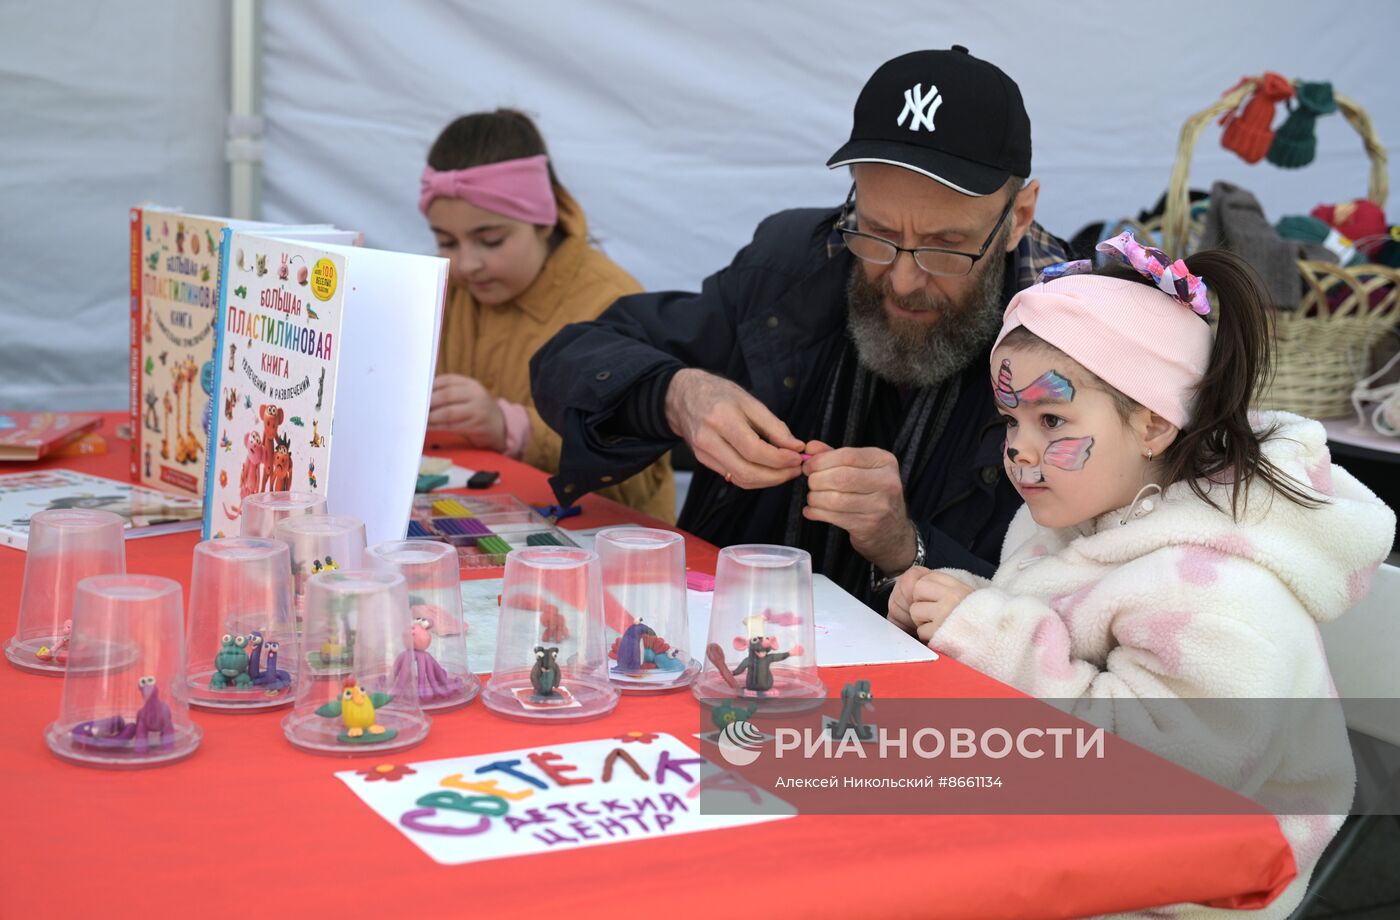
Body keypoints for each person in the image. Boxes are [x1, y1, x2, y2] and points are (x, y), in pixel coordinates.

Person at [888, 234, 1396, 917]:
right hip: (1065, 845)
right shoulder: (1069, 514)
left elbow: (1166, 769)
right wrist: (959, 605)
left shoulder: (1219, 594)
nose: (1018, 449)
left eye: (1051, 418)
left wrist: (989, 636)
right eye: (1010, 419)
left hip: (1170, 892)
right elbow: (1050, 635)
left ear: (1153, 424)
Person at [531, 48, 1070, 604]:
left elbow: (1072, 618)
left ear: (1018, 217)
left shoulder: (1080, 346)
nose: (904, 279)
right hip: (729, 647)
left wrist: (907, 548)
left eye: (946, 246)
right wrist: (677, 394)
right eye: (878, 233)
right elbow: (568, 358)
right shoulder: (793, 267)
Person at [421, 109, 674, 521]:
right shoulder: (443, 291)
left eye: (490, 240)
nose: (467, 264)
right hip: (482, 522)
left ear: (545, 220)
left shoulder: (613, 304)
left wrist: (512, 429)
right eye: (446, 241)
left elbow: (641, 481)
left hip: (601, 547)